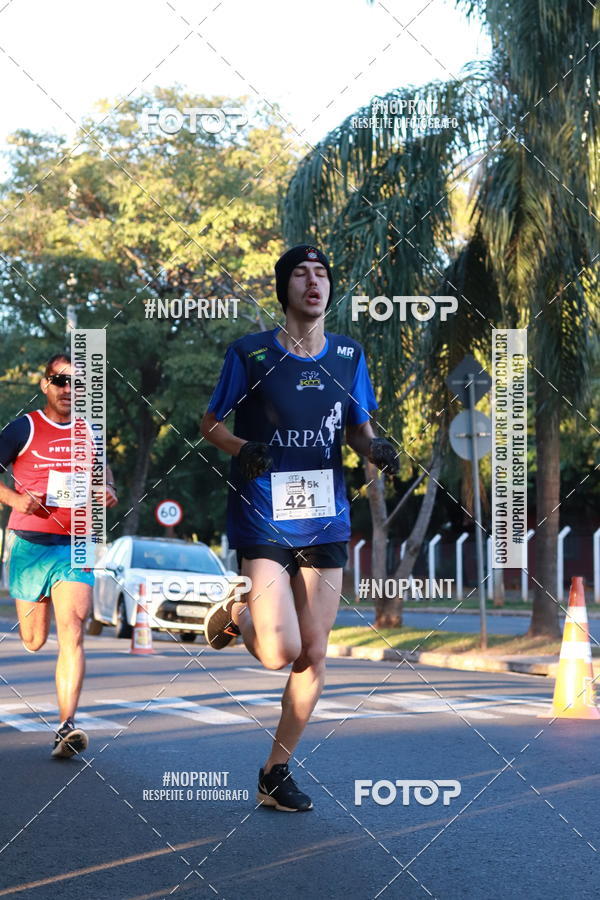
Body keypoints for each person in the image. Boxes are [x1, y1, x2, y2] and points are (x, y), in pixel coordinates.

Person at [201, 245, 398, 811]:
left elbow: (358, 429)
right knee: (278, 651)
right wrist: (242, 448)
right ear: (283, 288)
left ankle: (275, 772)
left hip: (326, 515)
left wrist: (375, 448)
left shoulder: (348, 355)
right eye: (301, 275)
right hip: (263, 510)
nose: (314, 283)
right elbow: (210, 422)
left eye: (322, 274)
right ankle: (237, 613)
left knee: (314, 651)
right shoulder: (250, 353)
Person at [0, 353, 118, 758]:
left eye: (77, 383)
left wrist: (107, 493)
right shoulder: (25, 428)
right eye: (60, 380)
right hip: (29, 543)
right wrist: (16, 498)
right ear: (45, 384)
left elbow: (107, 483)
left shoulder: (92, 433)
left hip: (76, 542)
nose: (69, 389)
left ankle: (66, 726)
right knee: (34, 640)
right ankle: (45, 595)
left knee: (73, 629)